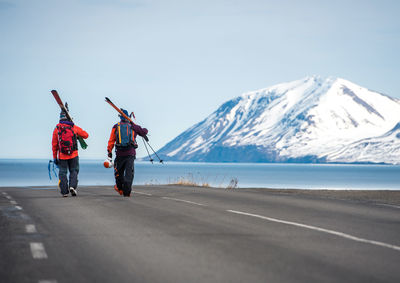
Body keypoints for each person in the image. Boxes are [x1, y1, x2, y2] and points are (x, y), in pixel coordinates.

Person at [107, 109, 148, 197]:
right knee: (129, 173)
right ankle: (127, 192)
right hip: (130, 154)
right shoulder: (133, 126)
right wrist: (143, 128)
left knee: (118, 172)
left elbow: (111, 140)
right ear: (128, 116)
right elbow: (144, 132)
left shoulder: (116, 126)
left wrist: (109, 151)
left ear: (120, 117)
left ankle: (120, 188)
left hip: (119, 154)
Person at [52, 110, 89, 197]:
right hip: (74, 154)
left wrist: (55, 157)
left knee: (63, 173)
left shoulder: (57, 129)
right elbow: (86, 135)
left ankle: (64, 191)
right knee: (74, 170)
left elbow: (54, 145)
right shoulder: (73, 127)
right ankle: (72, 186)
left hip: (62, 155)